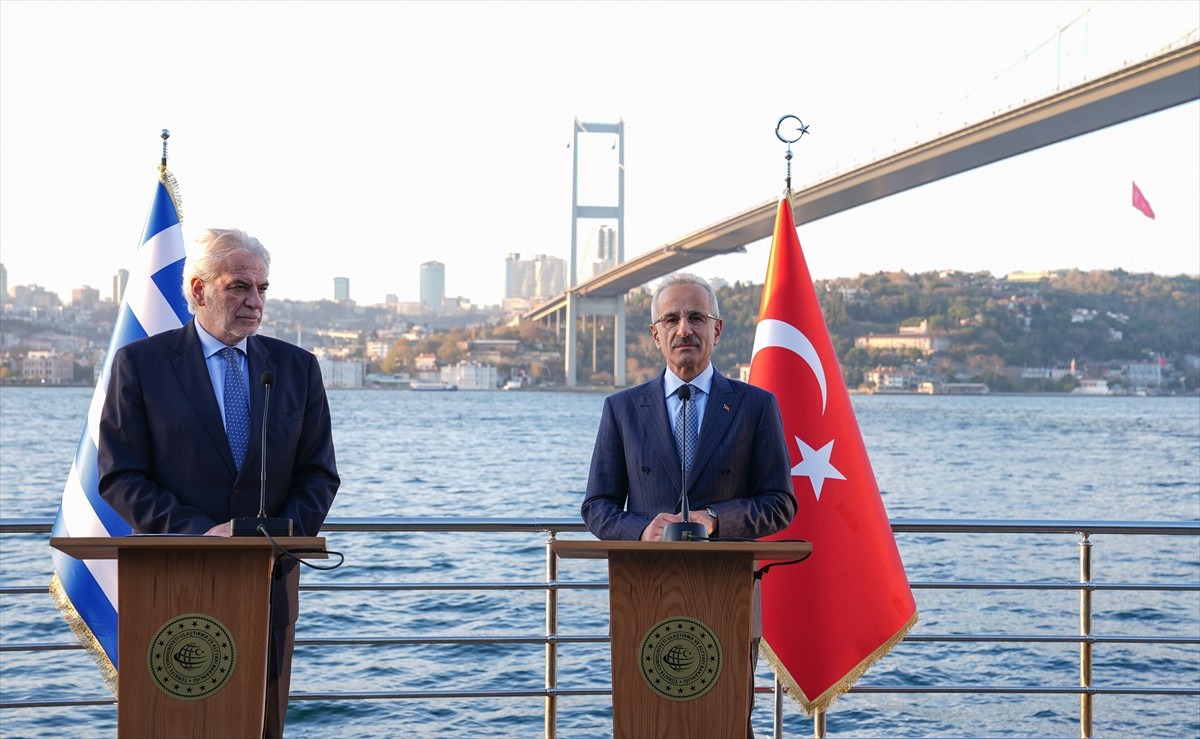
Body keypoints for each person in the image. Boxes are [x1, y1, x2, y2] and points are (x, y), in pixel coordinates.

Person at [97, 227, 340, 739]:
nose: (254, 302)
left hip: (266, 582)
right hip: (171, 580)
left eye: (262, 289)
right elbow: (120, 476)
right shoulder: (140, 365)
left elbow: (318, 474)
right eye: (238, 287)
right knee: (175, 725)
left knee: (260, 724)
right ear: (198, 290)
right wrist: (203, 534)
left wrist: (271, 538)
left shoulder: (296, 369)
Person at [581, 272, 795, 542]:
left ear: (716, 330)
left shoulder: (756, 405)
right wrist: (643, 530)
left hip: (727, 577)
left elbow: (779, 504)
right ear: (656, 336)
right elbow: (596, 506)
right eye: (671, 320)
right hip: (646, 577)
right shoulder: (622, 409)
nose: (684, 330)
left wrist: (716, 519)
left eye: (696, 318)